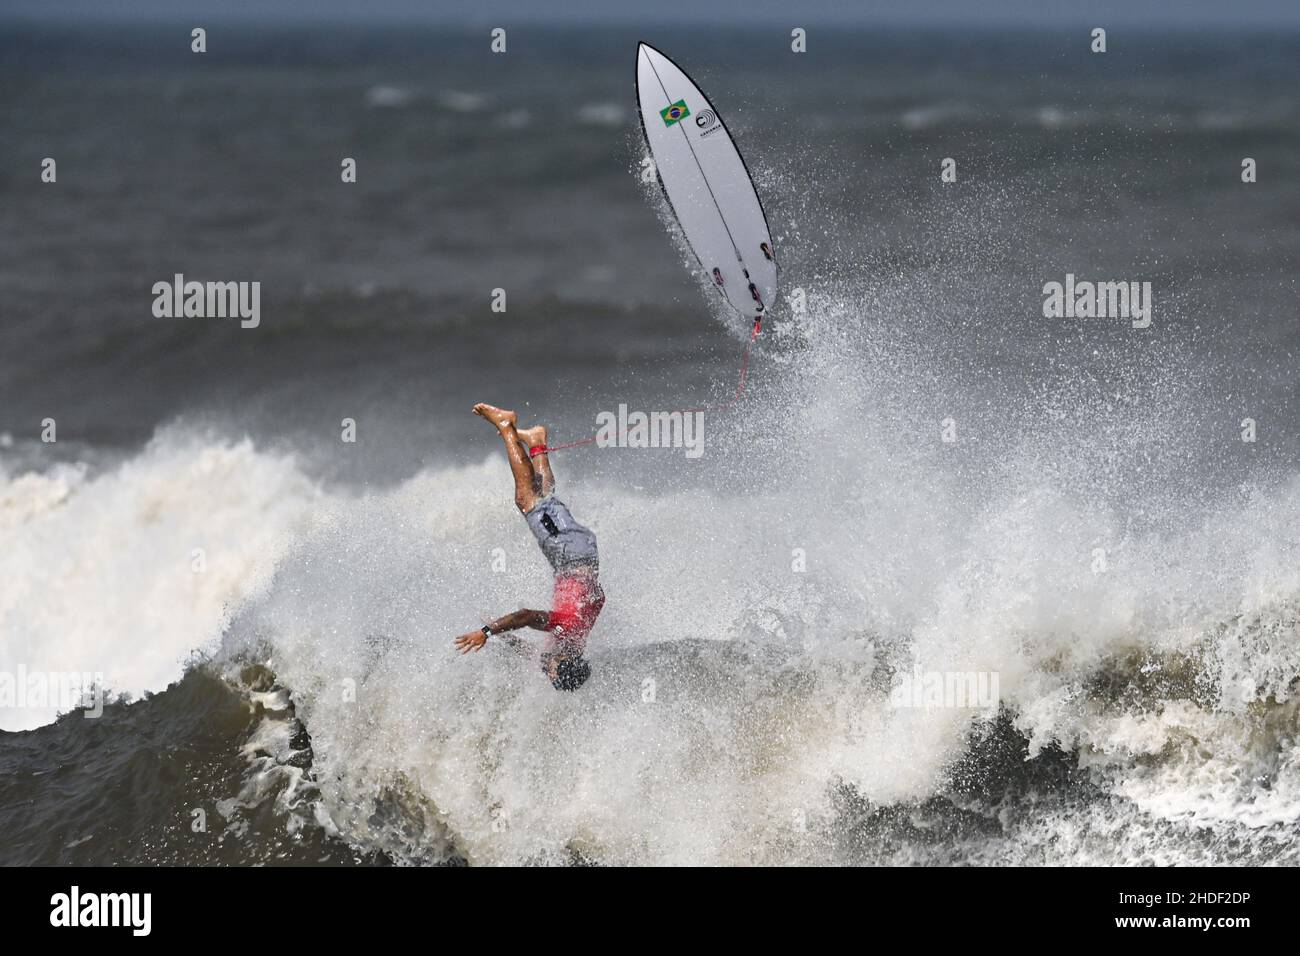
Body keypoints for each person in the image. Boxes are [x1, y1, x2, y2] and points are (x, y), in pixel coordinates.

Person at [453, 403, 604, 691]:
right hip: (569, 553)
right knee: (528, 501)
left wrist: (497, 633)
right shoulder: (567, 629)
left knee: (545, 498)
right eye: (552, 671)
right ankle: (506, 424)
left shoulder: (569, 644)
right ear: (562, 662)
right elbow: (525, 616)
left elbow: (598, 598)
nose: (547, 671)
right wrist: (487, 631)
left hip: (581, 555)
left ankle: (536, 442)